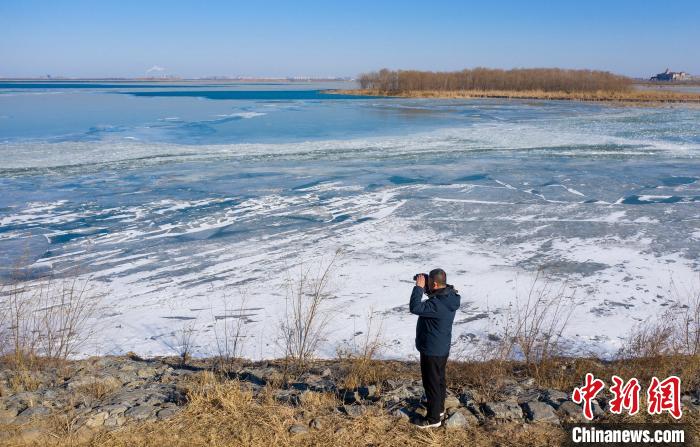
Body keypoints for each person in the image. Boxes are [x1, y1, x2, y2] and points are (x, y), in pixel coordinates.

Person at [410, 268, 461, 428]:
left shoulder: (436, 304)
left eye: (430, 283)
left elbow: (415, 307)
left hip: (431, 349)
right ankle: (438, 409)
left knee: (431, 383)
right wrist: (429, 287)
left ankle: (433, 420)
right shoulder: (450, 296)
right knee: (439, 380)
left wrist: (418, 288)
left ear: (435, 283)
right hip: (441, 347)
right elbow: (438, 295)